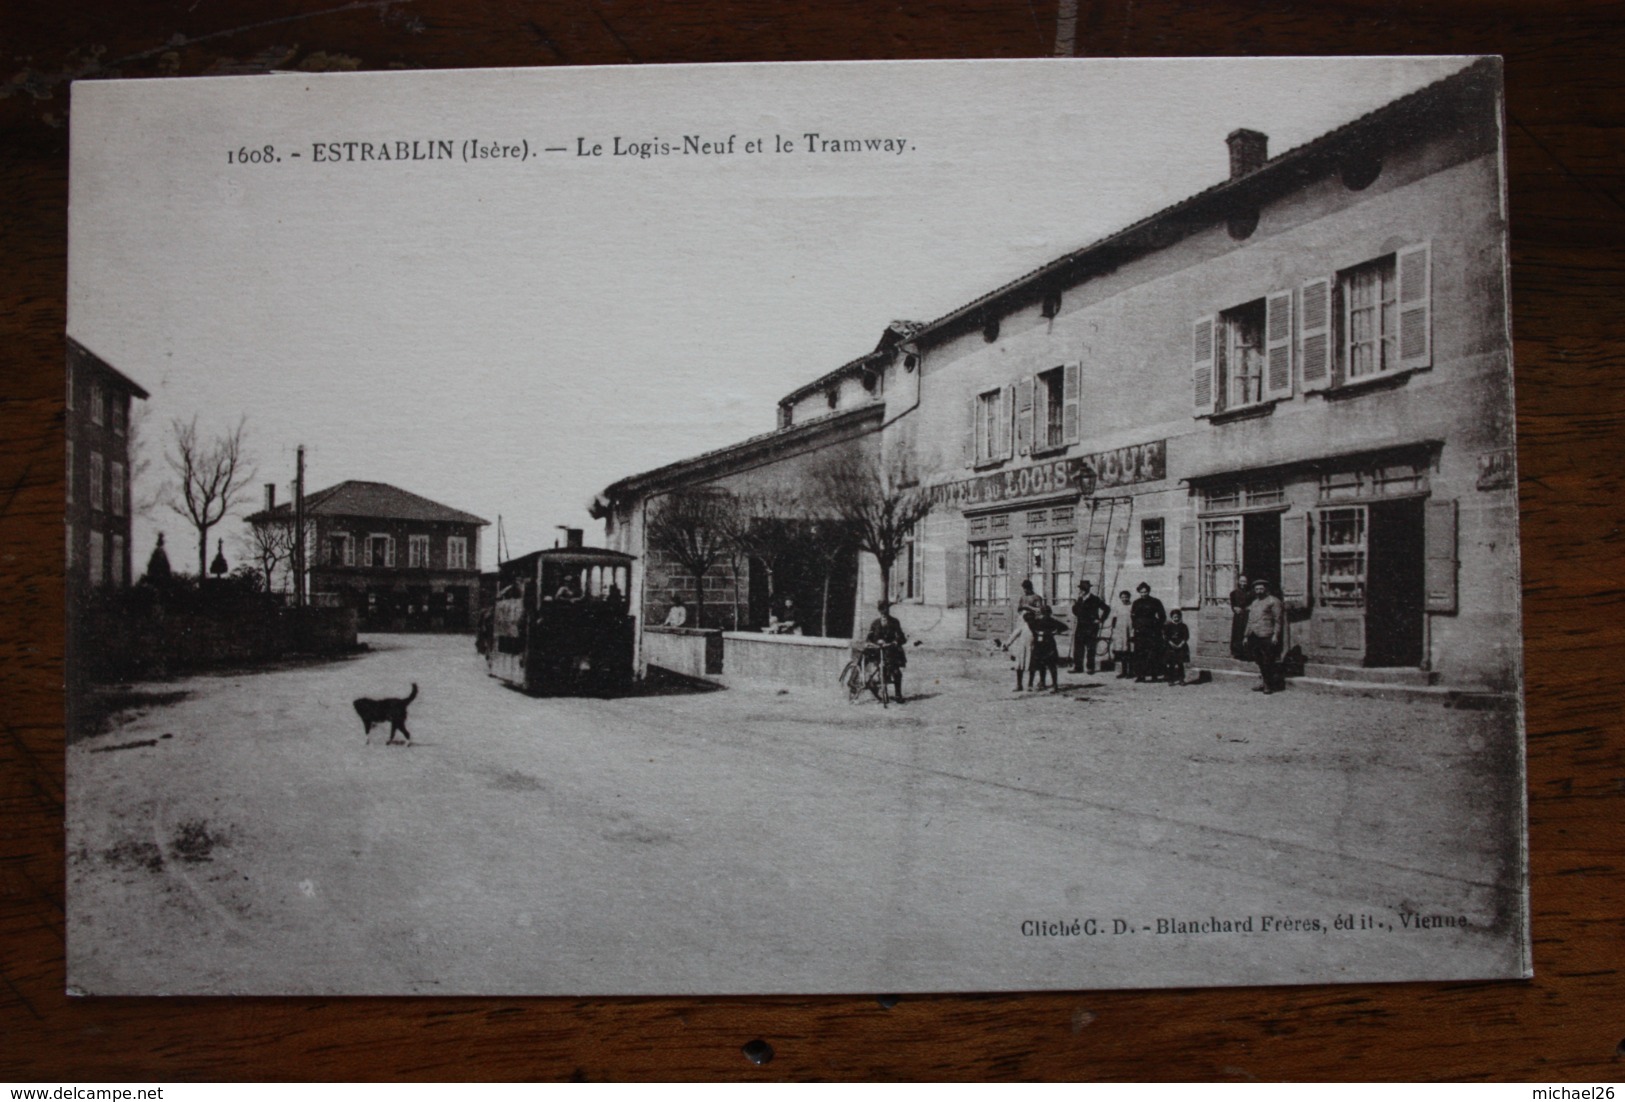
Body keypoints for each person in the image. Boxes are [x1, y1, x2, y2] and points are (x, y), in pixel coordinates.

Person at [1244, 577, 1287, 693]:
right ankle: (1263, 681)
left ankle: (1268, 685)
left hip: (1267, 634)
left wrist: (1275, 635)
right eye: (1256, 589)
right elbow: (1250, 620)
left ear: (1266, 589)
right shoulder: (1254, 602)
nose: (1259, 591)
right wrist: (1246, 635)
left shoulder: (1274, 601)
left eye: (1261, 589)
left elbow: (1278, 620)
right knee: (1259, 660)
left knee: (1268, 660)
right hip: (1254, 635)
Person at [866, 599, 908, 703]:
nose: (883, 612)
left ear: (888, 610)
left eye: (885, 609)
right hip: (877, 652)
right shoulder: (875, 623)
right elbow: (869, 638)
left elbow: (901, 638)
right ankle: (878, 688)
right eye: (881, 609)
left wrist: (894, 642)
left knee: (896, 672)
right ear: (879, 610)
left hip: (891, 652)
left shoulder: (894, 622)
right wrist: (874, 643)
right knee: (880, 671)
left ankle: (898, 694)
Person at [1070, 580, 1109, 674]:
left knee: (1090, 647)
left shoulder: (1095, 599)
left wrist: (1100, 620)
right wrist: (1076, 605)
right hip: (1080, 625)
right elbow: (1075, 611)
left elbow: (1107, 608)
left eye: (1084, 589)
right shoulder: (1079, 599)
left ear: (1088, 589)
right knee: (1078, 647)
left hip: (1091, 626)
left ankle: (1090, 667)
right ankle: (1078, 667)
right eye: (1081, 589)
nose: (1082, 591)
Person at [1130, 581, 1167, 683]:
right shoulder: (1136, 603)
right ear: (1139, 592)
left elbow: (1162, 616)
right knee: (1140, 653)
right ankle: (1140, 675)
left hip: (1152, 632)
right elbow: (1133, 617)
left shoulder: (1155, 602)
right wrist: (1136, 627)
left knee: (1153, 653)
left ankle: (1154, 675)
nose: (1143, 594)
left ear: (1149, 591)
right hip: (1140, 632)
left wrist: (1156, 626)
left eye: (1145, 592)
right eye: (1141, 592)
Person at [1001, 609, 1038, 692]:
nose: (1030, 622)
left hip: (1032, 650)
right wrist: (1007, 644)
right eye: (1028, 620)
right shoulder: (1022, 627)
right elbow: (1013, 636)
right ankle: (1019, 685)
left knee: (1032, 667)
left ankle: (1030, 685)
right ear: (1025, 620)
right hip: (1022, 650)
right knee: (1019, 667)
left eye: (1032, 620)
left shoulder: (1036, 627)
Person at [1030, 608, 1065, 691]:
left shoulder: (1037, 621)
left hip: (1041, 645)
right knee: (1051, 665)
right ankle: (1054, 685)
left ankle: (1043, 683)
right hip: (1049, 645)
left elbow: (1031, 627)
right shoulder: (1052, 621)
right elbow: (1064, 627)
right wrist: (1055, 632)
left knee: (1042, 665)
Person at [1107, 589, 1135, 678]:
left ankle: (1131, 672)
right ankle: (1123, 671)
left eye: (1126, 597)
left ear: (1129, 597)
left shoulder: (1132, 606)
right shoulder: (1118, 607)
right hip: (1120, 631)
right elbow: (1114, 619)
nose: (1124, 599)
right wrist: (1113, 629)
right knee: (1122, 652)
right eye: (1122, 597)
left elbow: (1134, 619)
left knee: (1130, 651)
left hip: (1129, 630)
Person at [1228, 573, 1253, 660]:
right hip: (1238, 617)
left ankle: (1247, 654)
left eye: (1245, 581)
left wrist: (1249, 608)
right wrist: (1235, 608)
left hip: (1247, 616)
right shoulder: (1233, 593)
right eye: (1241, 581)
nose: (1243, 583)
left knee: (1247, 633)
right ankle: (1237, 653)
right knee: (1238, 634)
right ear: (1238, 581)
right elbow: (1233, 605)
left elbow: (1253, 604)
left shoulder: (1251, 593)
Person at [1163, 610, 1191, 685]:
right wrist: (1172, 644)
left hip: (1181, 647)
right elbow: (1166, 637)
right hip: (1171, 647)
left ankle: (1181, 679)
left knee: (1180, 664)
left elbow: (1186, 636)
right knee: (1171, 664)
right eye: (1174, 617)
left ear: (1180, 617)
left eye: (1177, 617)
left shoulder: (1183, 626)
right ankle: (1171, 680)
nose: (1176, 618)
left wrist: (1181, 644)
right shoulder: (1168, 626)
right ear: (1172, 617)